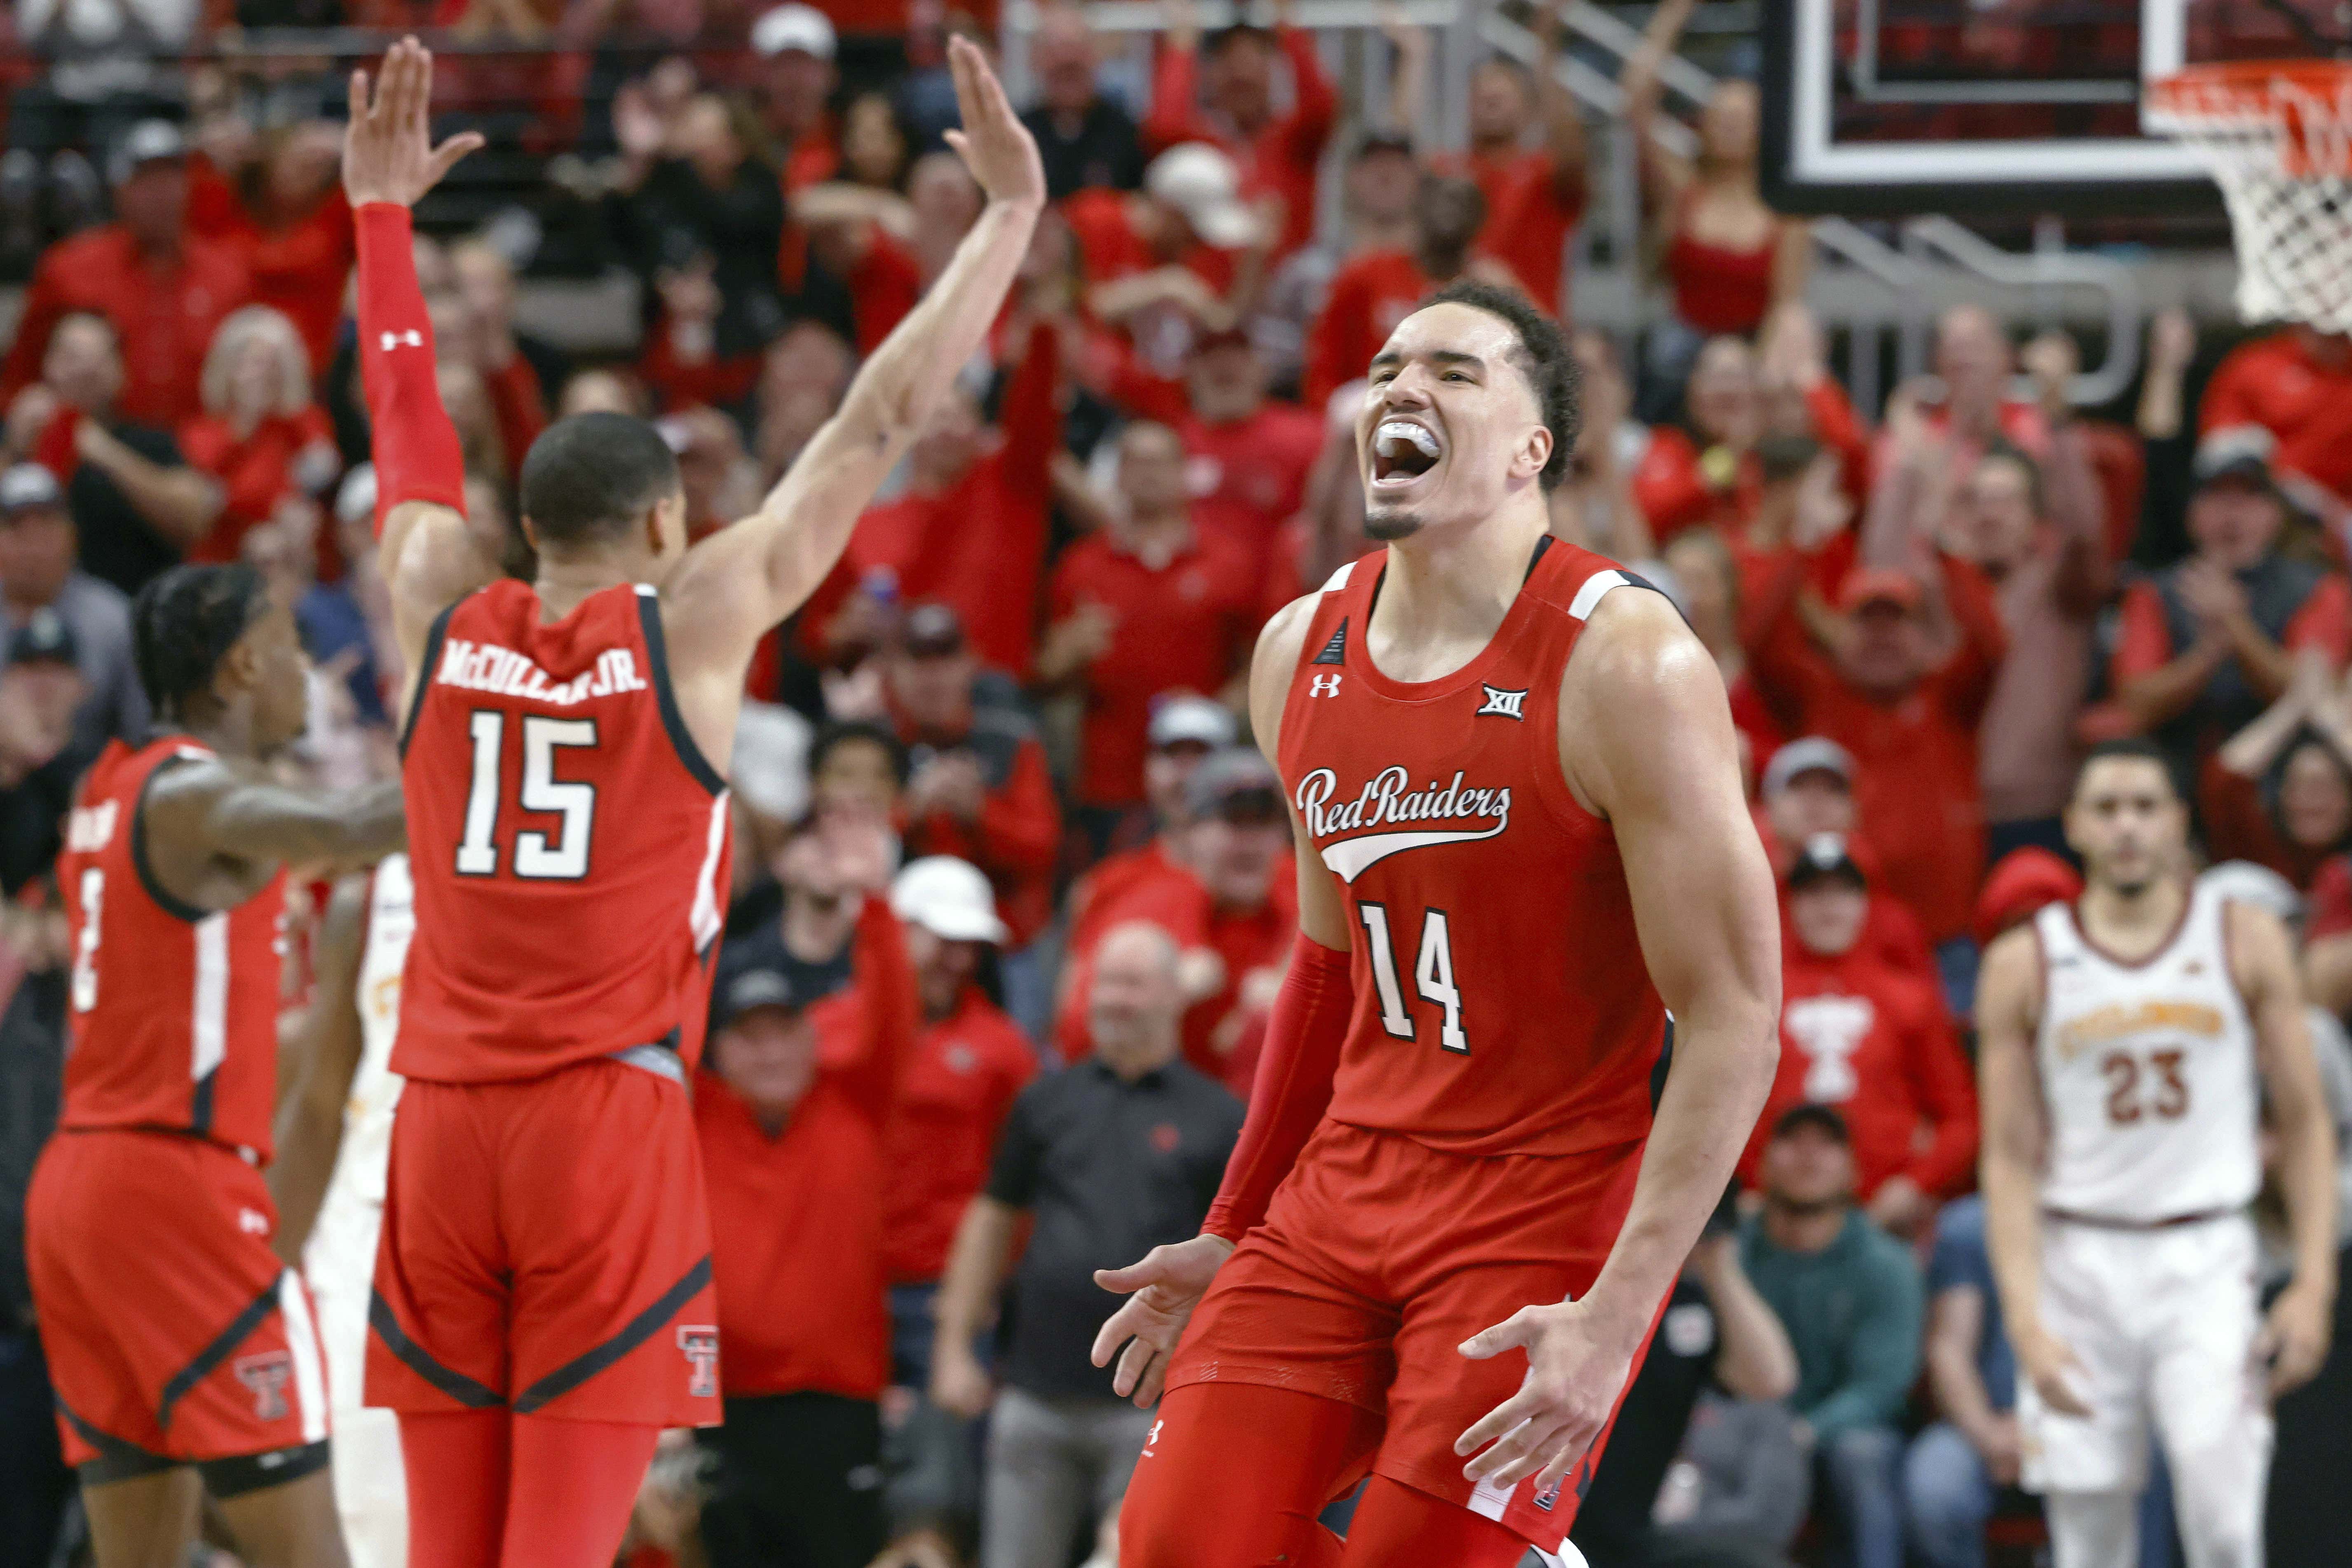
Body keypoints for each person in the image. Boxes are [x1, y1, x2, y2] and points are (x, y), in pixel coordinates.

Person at [346, 37, 1041, 1568]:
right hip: (599, 1118)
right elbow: (874, 422)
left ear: (529, 523)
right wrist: (1005, 218)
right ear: (663, 520)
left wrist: (380, 221)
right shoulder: (698, 618)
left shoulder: (434, 593)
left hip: (441, 1119)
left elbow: (406, 418)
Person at [1093, 280, 1781, 1564]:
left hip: (1535, 1208)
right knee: (1174, 1542)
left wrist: (1616, 1312)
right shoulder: (1298, 648)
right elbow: (1324, 972)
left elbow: (1735, 1016)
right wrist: (1232, 1225)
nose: (1403, 387)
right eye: (1387, 368)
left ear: (1533, 448)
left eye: (1456, 372)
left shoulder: (1628, 662)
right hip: (1341, 1189)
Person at [26, 561, 407, 1568]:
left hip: (81, 1186)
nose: (305, 673)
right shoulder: (191, 789)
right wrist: (501, 743)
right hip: (169, 1181)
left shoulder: (112, 786)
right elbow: (348, 830)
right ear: (242, 663)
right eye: (289, 647)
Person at [1974, 739, 2340, 1568]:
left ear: (2179, 821)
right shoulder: (2023, 962)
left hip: (2206, 1255)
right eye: (2106, 808)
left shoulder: (2243, 937)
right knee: (2086, 1539)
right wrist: (2024, 1316)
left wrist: (2313, 1283)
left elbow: (2305, 1122)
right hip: (2077, 1256)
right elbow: (2006, 1158)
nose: (2127, 826)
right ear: (2073, 825)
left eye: (2145, 806)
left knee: (2225, 1528)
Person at [930, 922, 1243, 1568]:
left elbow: (1238, 1256)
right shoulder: (1046, 1101)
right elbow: (991, 1220)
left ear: (1174, 994)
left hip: (1153, 1405)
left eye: (1133, 983)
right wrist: (953, 1348)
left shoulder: (1219, 1117)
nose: (1115, 999)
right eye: (1106, 982)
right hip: (1034, 1394)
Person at [692, 831, 914, 1568]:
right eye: (747, 1037)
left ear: (814, 1038)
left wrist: (872, 903)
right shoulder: (697, 1116)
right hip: (721, 1402)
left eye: (785, 1031)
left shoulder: (856, 1106)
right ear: (719, 1054)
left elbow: (892, 1009)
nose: (770, 1051)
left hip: (836, 1401)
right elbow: (668, 1006)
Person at [270, 859, 416, 1568]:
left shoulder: (561, 869)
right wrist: (253, 1285)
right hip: (366, 1233)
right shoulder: (372, 896)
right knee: (369, 1524)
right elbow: (322, 1103)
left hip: (505, 1239)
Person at [1747, 835, 1977, 1239]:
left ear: (1866, 903)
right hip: (1775, 1220)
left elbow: (1961, 1117)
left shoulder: (1910, 998)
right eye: (1813, 893)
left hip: (1885, 1221)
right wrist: (1752, 1185)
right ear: (1789, 904)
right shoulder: (1757, 999)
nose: (1828, 907)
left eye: (1843, 892)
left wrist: (1914, 1185)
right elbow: (1721, 1105)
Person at [1041, 420, 1260, 835]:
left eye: (1161, 462)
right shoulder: (1081, 565)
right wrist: (1067, 654)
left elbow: (1260, 665)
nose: (1149, 474)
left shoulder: (1228, 561)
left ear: (1184, 473)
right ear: (1118, 475)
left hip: (1203, 773)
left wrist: (1211, 712)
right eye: (1136, 463)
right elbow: (1043, 674)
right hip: (1107, 781)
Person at [1740, 1105, 1925, 1568]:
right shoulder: (1729, 1252)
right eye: (1792, 1140)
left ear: (1854, 1170)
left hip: (1843, 1433)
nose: (1808, 1155)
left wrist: (1803, 1433)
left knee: (1861, 1455)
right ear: (1761, 1163)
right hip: (1744, 1426)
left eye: (1826, 1144)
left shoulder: (1886, 1264)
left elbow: (1880, 1387)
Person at [880, 855, 1038, 1392]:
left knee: (944, 1440)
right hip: (842, 1280)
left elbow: (1023, 1182)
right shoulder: (838, 1028)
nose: (958, 960)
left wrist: (989, 1282)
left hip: (944, 1289)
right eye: (944, 941)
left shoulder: (1003, 1049)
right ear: (898, 932)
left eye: (969, 945)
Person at [0, 120, 250, 430]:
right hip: (96, 442)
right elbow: (22, 375)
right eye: (145, 180)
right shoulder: (70, 268)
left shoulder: (229, 273)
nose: (160, 193)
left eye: (171, 178)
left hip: (202, 446)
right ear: (119, 190)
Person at [5, 312, 227, 596]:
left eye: (98, 359)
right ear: (47, 364)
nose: (84, 370)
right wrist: (13, 449)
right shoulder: (17, 436)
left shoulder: (150, 442)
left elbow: (194, 520)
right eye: (72, 356)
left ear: (121, 373)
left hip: (131, 601)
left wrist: (103, 450)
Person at [1143, 0, 1336, 260]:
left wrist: (1287, 24)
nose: (1241, 71)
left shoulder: (1293, 140)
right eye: (1229, 64)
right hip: (1212, 277)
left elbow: (1321, 107)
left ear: (1271, 70)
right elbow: (1164, 128)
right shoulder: (1202, 144)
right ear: (1211, 76)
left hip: (1284, 274)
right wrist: (1181, 47)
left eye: (1253, 60)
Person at [0, 462, 146, 764]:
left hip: (94, 779)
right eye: (17, 531)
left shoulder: (114, 620)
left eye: (45, 529)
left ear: (72, 536)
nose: (33, 548)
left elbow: (141, 734)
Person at [1020, 2, 1146, 199]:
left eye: (1076, 48)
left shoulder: (1125, 133)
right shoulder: (1018, 133)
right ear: (1035, 61)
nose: (1066, 57)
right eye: (1055, 50)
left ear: (1096, 57)